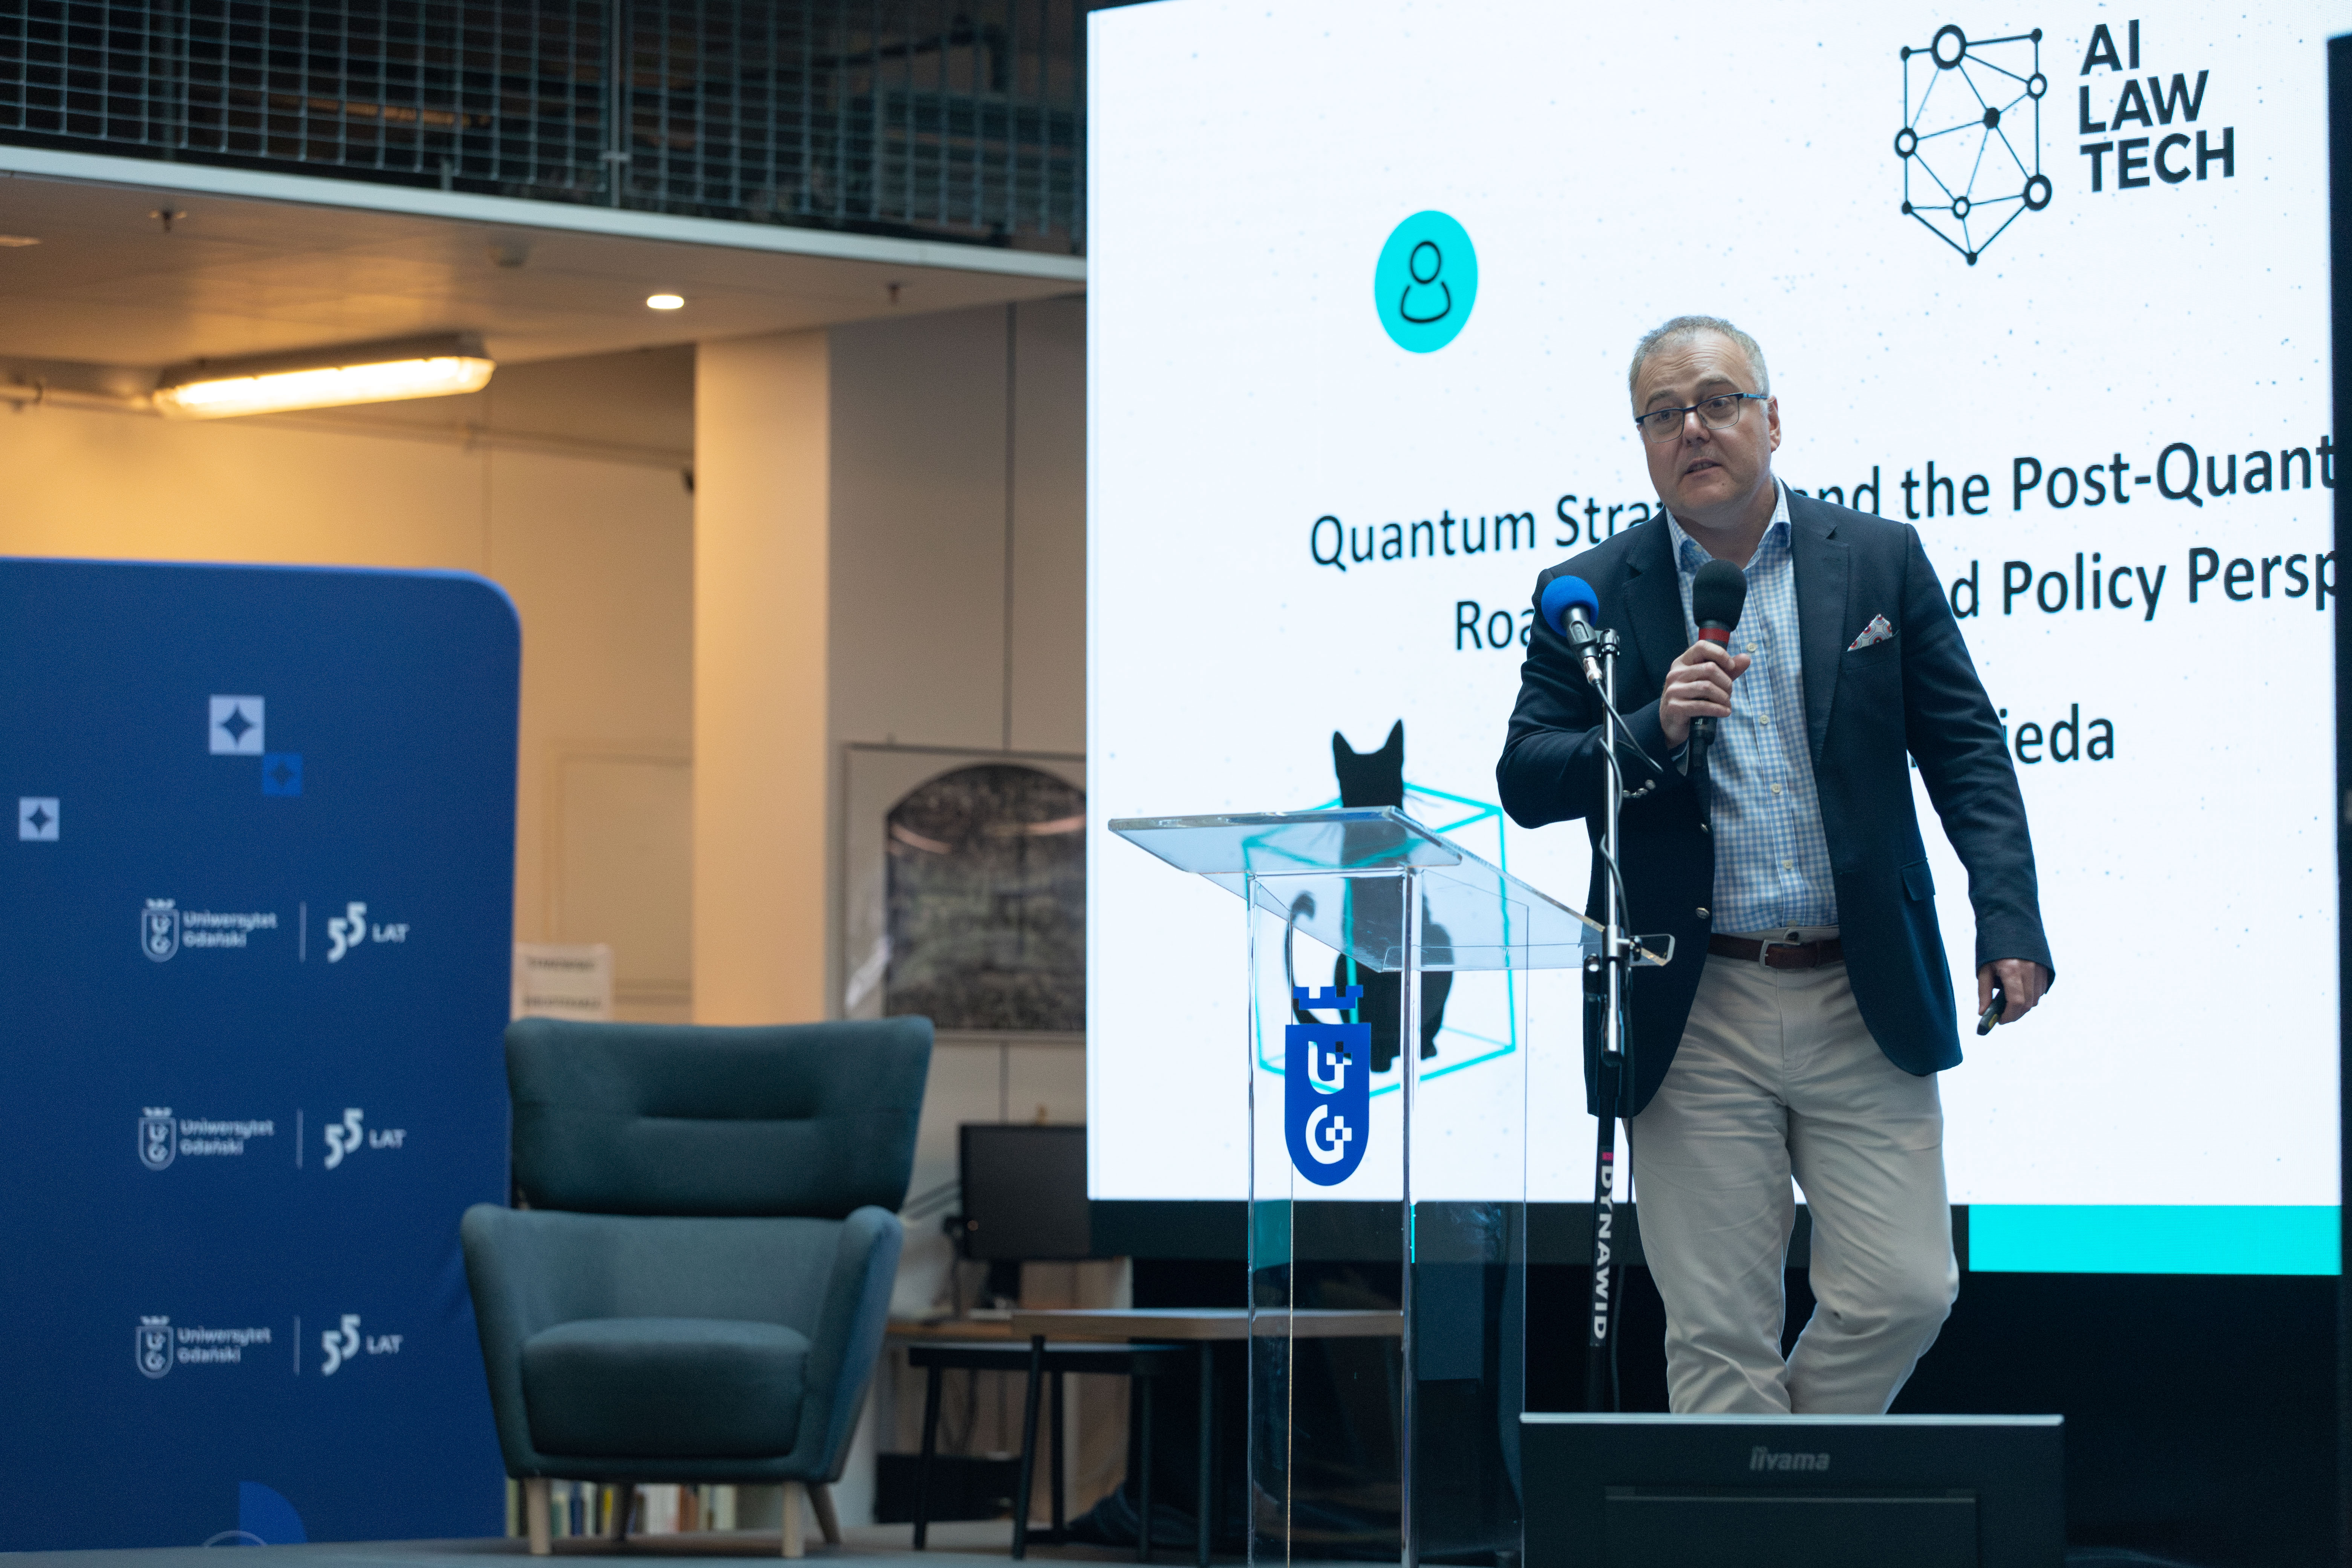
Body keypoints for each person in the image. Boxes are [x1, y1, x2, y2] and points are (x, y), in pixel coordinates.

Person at [1495, 315, 2053, 1415]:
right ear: (1643, 442)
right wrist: (1652, 726)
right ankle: (1758, 1491)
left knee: (1907, 1290)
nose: (1693, 429)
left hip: (1861, 985)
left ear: (1773, 419)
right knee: (1718, 1337)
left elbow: (1967, 750)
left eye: (1718, 401)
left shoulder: (1878, 558)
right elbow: (1526, 776)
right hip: (1692, 1004)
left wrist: (2009, 919)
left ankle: (1770, 1479)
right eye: (1664, 414)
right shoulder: (1589, 592)